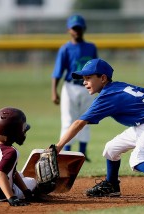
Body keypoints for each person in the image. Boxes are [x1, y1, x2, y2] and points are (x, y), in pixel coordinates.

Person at [55, 58, 144, 201]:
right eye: (83, 78)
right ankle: (112, 185)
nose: (84, 82)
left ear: (102, 78)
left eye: (88, 78)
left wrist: (59, 146)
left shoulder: (107, 96)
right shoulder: (119, 86)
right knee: (111, 149)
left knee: (137, 159)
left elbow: (78, 123)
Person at [51, 14, 98, 162]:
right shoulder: (65, 49)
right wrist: (54, 91)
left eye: (78, 28)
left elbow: (96, 68)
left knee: (86, 119)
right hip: (70, 86)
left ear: (84, 29)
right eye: (74, 28)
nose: (76, 31)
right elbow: (58, 72)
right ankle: (66, 153)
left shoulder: (91, 47)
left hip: (87, 87)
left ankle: (82, 154)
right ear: (69, 30)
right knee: (68, 120)